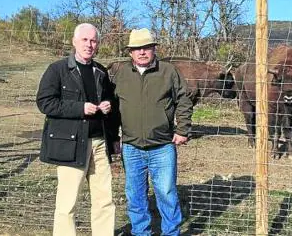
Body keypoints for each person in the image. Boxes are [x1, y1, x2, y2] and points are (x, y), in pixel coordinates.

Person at [36, 23, 120, 236]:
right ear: (74, 41)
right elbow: (45, 102)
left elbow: (111, 103)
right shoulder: (58, 69)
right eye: (84, 40)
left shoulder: (101, 71)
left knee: (104, 200)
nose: (89, 45)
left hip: (100, 143)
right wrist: (80, 108)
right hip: (72, 144)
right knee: (67, 203)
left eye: (93, 41)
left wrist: (108, 107)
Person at [111, 28, 193, 236]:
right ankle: (141, 232)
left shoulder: (168, 71)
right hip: (131, 146)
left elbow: (184, 98)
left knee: (166, 193)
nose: (142, 52)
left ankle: (171, 232)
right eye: (137, 49)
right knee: (135, 194)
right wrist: (114, 137)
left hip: (163, 146)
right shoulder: (121, 73)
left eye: (146, 47)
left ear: (154, 49)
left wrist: (182, 129)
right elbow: (112, 107)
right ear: (130, 52)